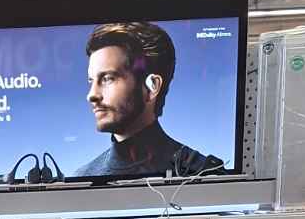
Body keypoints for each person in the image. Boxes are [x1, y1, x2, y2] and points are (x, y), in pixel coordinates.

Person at [73, 20, 223, 180]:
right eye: (91, 81)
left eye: (108, 78)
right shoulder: (83, 176)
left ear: (152, 86)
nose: (92, 95)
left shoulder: (204, 173)